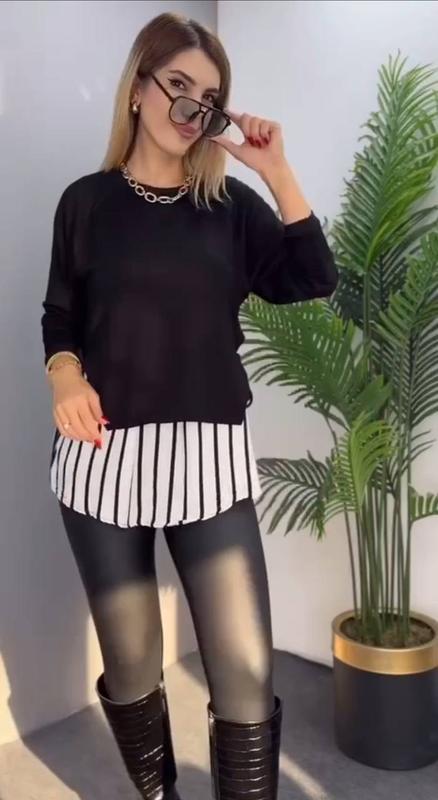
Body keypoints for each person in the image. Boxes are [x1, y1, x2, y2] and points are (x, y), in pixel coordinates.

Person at [41, 11, 338, 800]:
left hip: (208, 462)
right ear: (138, 89)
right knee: (133, 665)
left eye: (209, 99)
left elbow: (313, 277)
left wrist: (276, 171)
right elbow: (61, 315)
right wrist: (64, 377)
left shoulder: (231, 208)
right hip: (103, 459)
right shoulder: (86, 203)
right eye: (178, 85)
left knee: (244, 673)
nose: (191, 109)